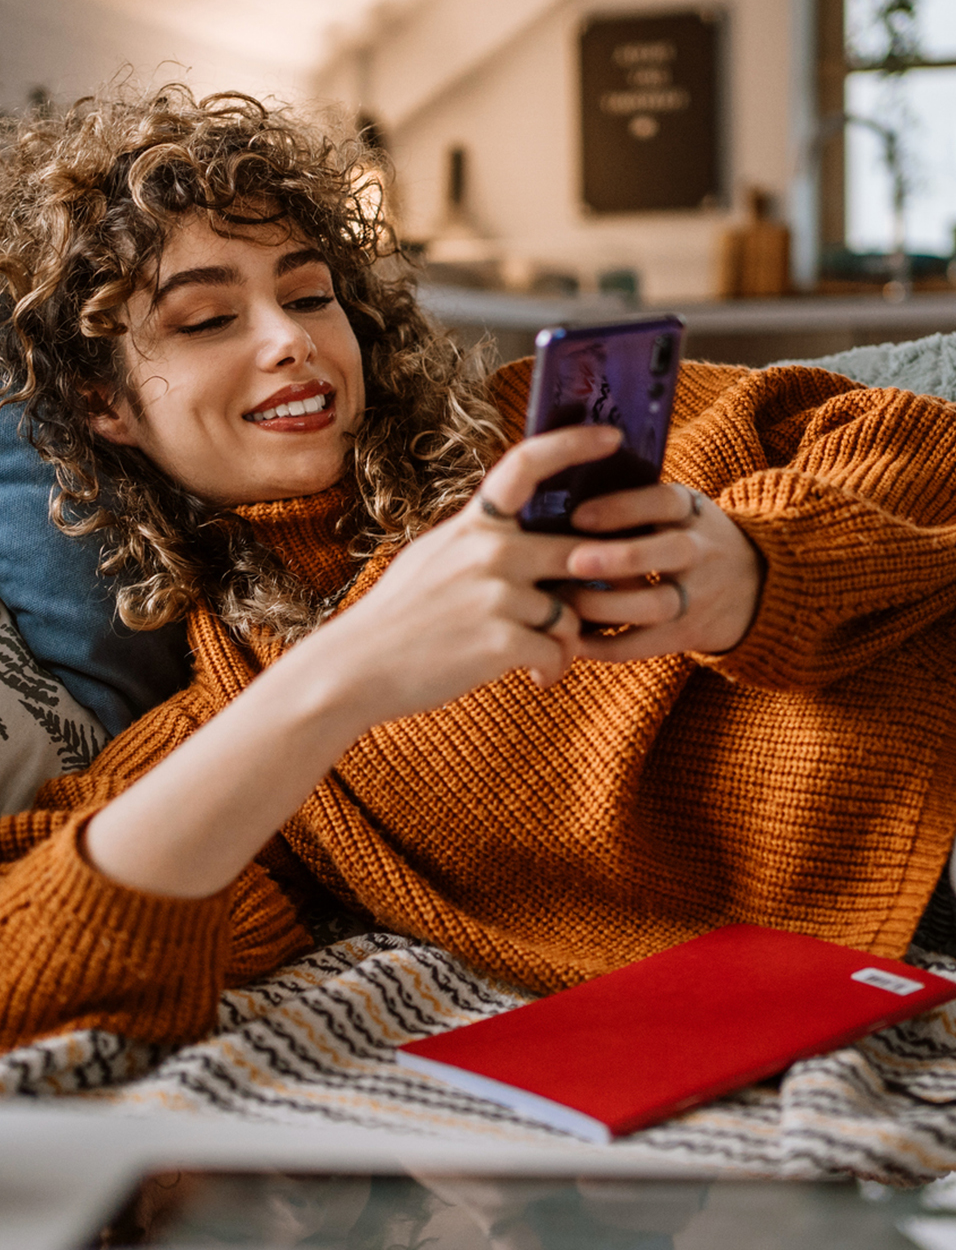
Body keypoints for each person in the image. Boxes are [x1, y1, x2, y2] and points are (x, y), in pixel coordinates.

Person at [1, 84, 955, 1054]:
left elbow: (914, 436)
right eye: (205, 320)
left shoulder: (545, 426)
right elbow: (29, 958)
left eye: (307, 295)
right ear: (104, 405)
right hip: (869, 974)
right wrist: (336, 680)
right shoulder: (235, 719)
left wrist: (756, 566)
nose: (291, 340)